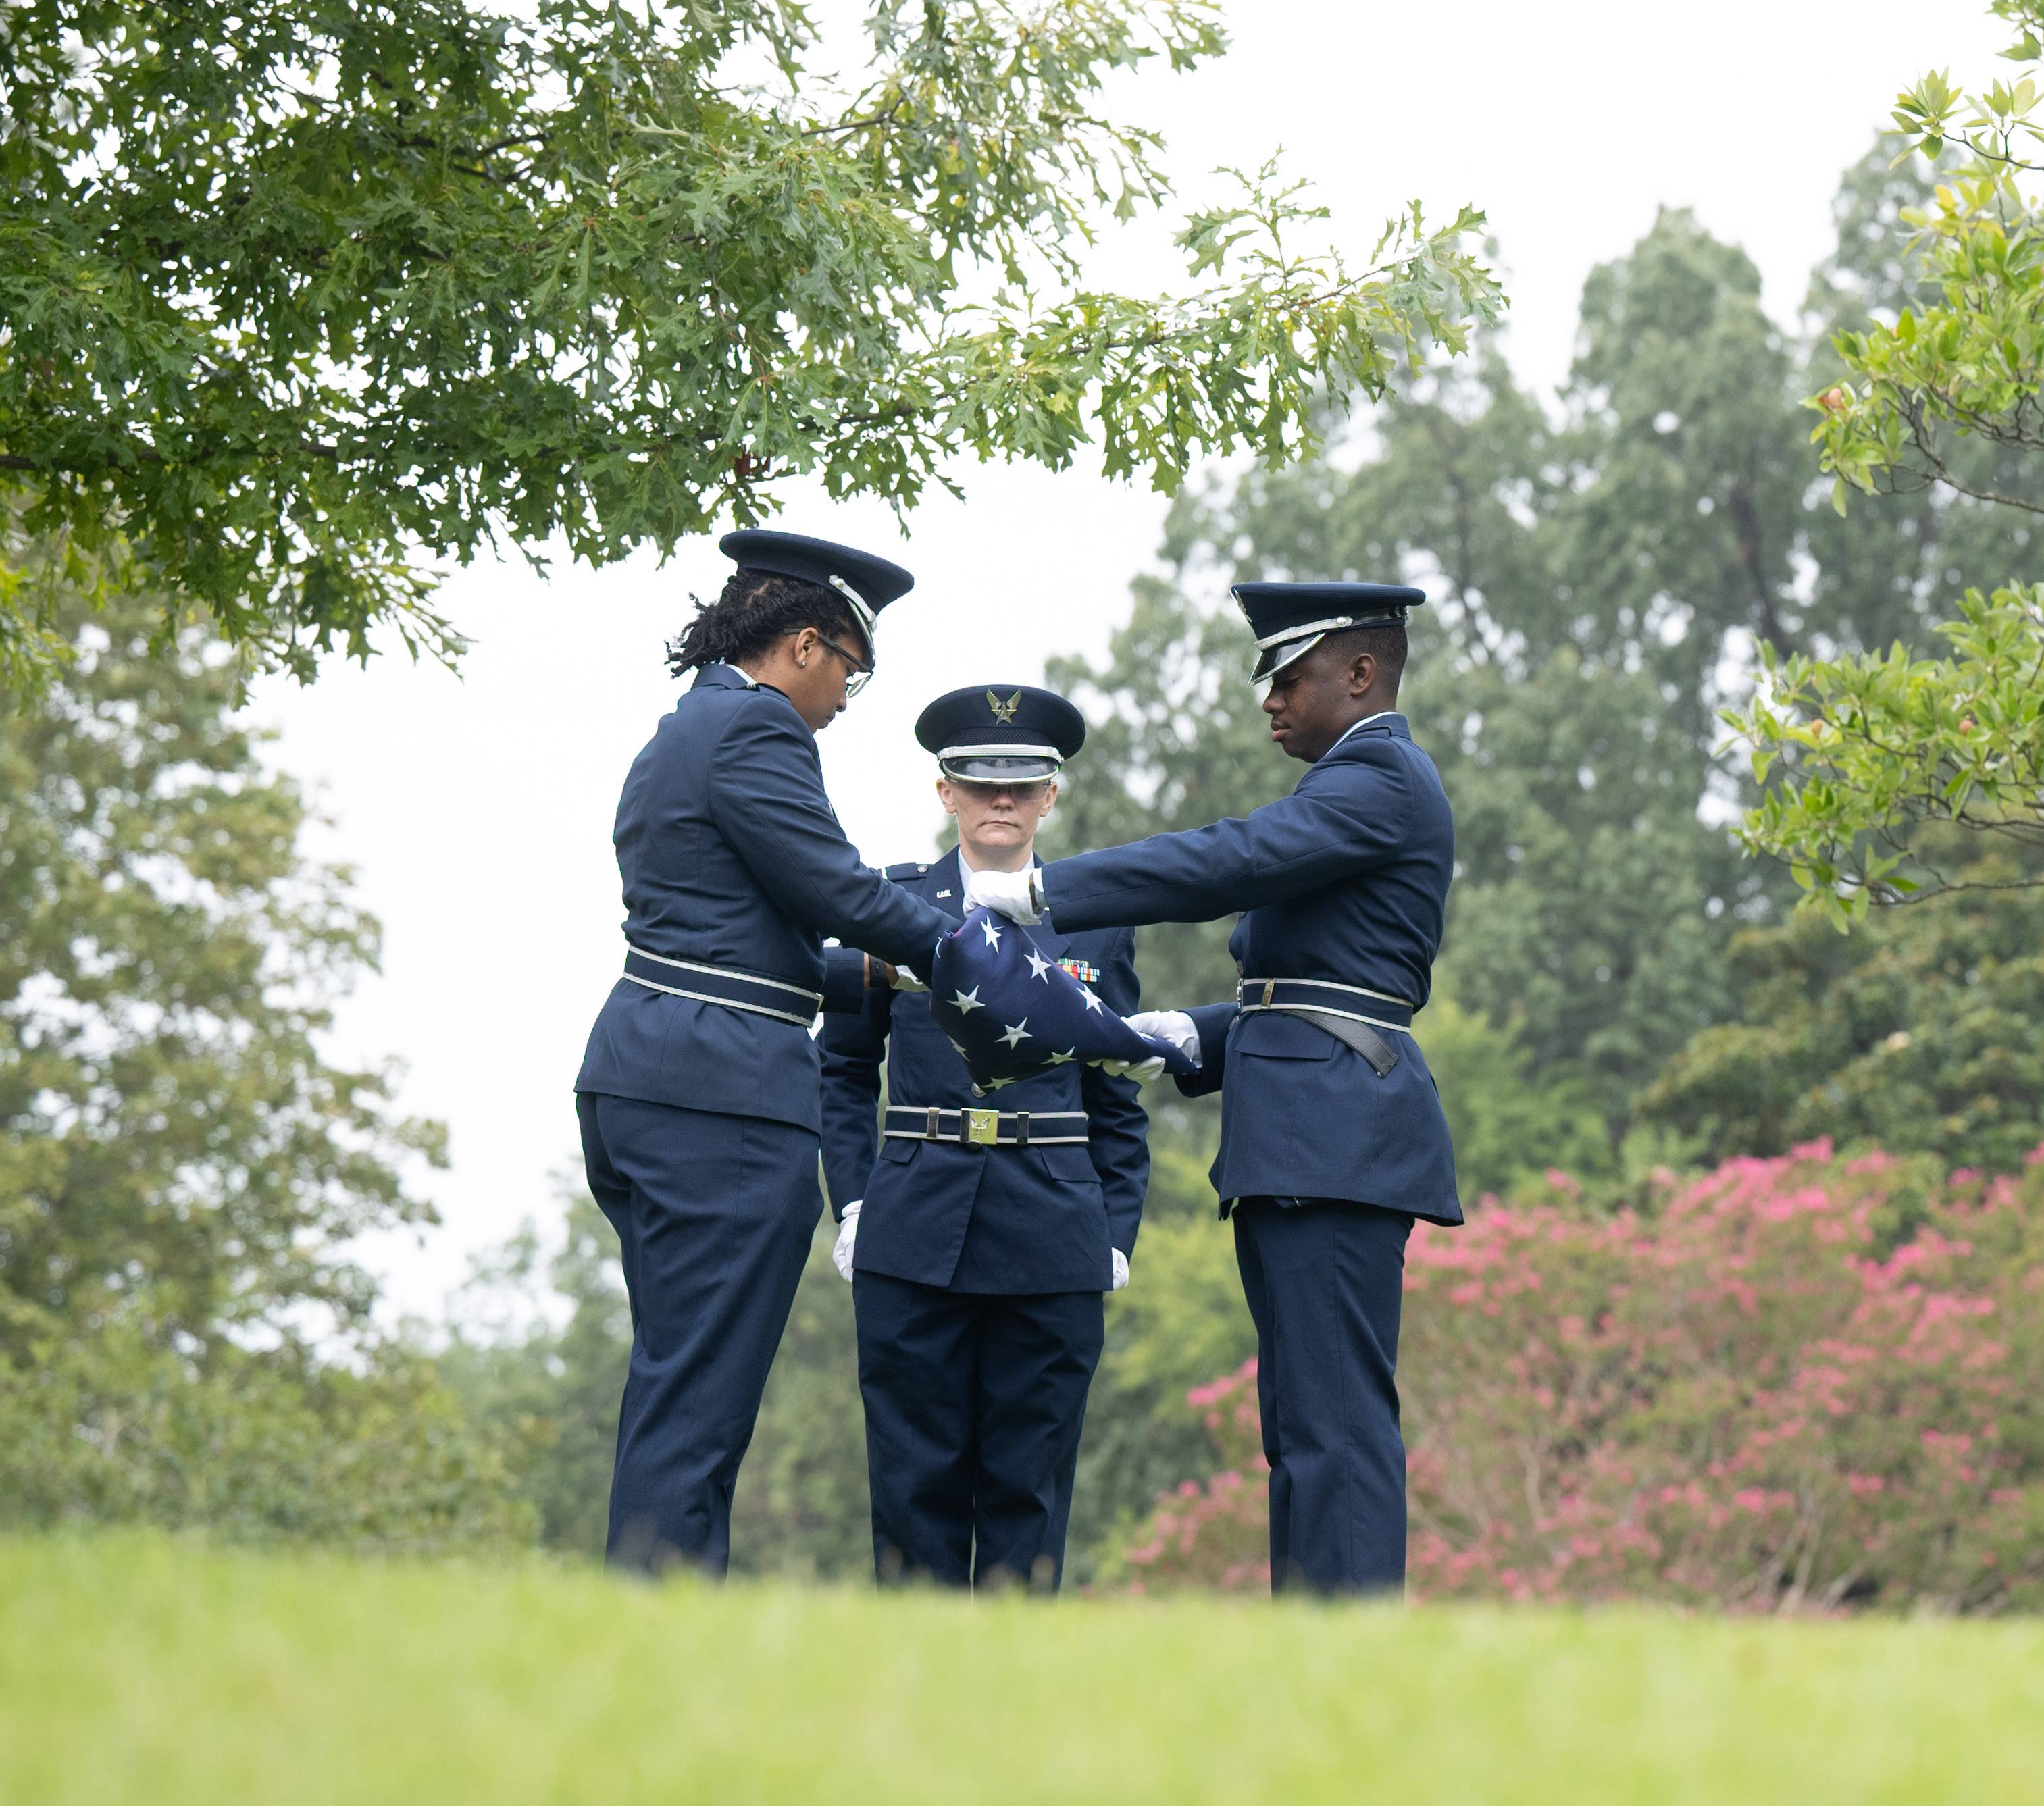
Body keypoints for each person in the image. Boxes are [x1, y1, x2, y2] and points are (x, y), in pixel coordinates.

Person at [1011, 580, 1458, 1597]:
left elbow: (1232, 860)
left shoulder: (1379, 776)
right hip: (1310, 1128)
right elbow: (1317, 981)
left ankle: (1351, 1653)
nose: (1270, 700)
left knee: (1333, 1424)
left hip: (1336, 1137)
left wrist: (1047, 888)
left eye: (1289, 677)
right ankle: (1314, 1643)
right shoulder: (1354, 783)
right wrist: (1188, 1035)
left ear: (1359, 673)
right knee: (1302, 1423)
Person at [574, 529, 972, 1576]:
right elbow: (837, 891)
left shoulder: (684, 729)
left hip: (650, 1070)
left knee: (675, 1377)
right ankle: (660, 1623)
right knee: (701, 1397)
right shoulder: (759, 734)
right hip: (723, 1099)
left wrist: (882, 973)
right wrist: (973, 952)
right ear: (805, 645)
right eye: (851, 669)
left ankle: (642, 1609)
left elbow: (746, 931)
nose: (845, 697)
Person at [812, 682, 1152, 1591]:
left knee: (1029, 1494)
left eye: (1021, 785)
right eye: (978, 782)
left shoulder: (1097, 919)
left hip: (1053, 1230)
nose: (1000, 801)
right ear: (945, 793)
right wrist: (852, 1200)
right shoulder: (888, 906)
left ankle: (1021, 1708)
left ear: (1050, 796)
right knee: (912, 1489)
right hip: (913, 1222)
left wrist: (1116, 1230)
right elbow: (841, 1070)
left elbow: (1118, 1089)